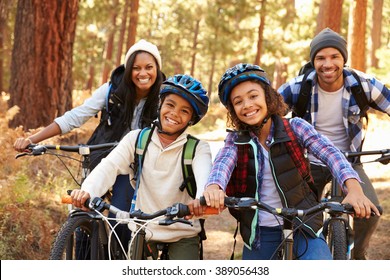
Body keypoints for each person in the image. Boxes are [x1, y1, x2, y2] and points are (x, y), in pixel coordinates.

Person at [201, 63, 380, 260]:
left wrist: (353, 188)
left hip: (304, 224)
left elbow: (331, 154)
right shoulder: (235, 140)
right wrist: (214, 186)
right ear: (233, 110)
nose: (247, 105)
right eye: (238, 101)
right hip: (261, 232)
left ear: (267, 97)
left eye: (253, 96)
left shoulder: (295, 127)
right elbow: (222, 163)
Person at [13, 39, 165, 251]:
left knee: (120, 219)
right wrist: (33, 139)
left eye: (149, 67)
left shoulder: (164, 96)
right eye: (136, 68)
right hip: (101, 157)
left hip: (134, 167)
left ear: (157, 69)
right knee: (82, 212)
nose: (143, 73)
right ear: (128, 69)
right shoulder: (111, 90)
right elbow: (75, 117)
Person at [70, 74, 212, 260]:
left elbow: (205, 176)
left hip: (182, 231)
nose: (175, 113)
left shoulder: (198, 148)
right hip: (143, 229)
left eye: (185, 111)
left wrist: (201, 200)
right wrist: (87, 191)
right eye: (170, 105)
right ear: (160, 105)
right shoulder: (137, 139)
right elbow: (109, 166)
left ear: (191, 120)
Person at [278, 28, 390, 259]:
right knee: (300, 217)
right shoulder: (298, 87)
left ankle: (358, 254)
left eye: (334, 56)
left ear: (344, 59)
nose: (327, 64)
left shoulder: (364, 84)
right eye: (320, 58)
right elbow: (267, 115)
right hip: (309, 162)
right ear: (313, 61)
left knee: (372, 213)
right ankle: (302, 257)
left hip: (350, 161)